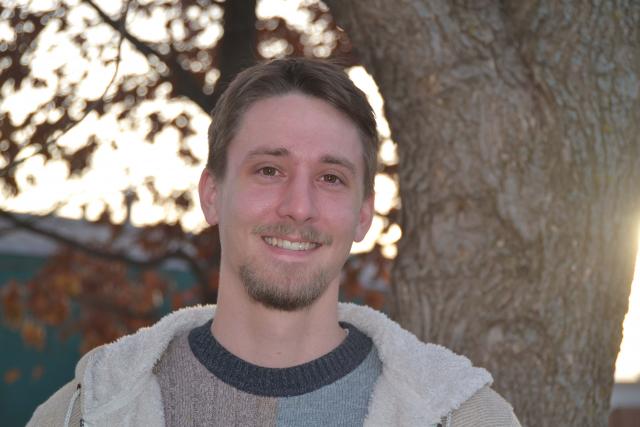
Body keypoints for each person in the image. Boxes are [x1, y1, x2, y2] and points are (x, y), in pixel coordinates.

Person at [28, 58, 520, 427]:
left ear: (364, 214)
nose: (298, 206)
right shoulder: (85, 413)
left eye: (330, 178)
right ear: (213, 194)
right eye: (269, 170)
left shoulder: (466, 417)